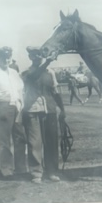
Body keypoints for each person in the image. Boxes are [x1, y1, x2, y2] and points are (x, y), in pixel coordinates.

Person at [22, 47, 66, 182]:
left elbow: (55, 92)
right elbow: (34, 77)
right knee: (35, 143)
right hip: (33, 110)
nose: (37, 58)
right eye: (34, 55)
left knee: (51, 142)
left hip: (50, 110)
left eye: (39, 55)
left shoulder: (50, 73)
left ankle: (52, 171)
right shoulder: (26, 73)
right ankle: (36, 173)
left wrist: (62, 109)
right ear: (30, 57)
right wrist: (47, 62)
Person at [0, 46, 25, 179]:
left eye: (8, 58)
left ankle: (20, 168)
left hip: (17, 106)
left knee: (20, 138)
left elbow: (19, 90)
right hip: (4, 106)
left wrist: (22, 103)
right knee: (4, 141)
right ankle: (6, 169)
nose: (6, 60)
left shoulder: (14, 72)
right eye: (3, 58)